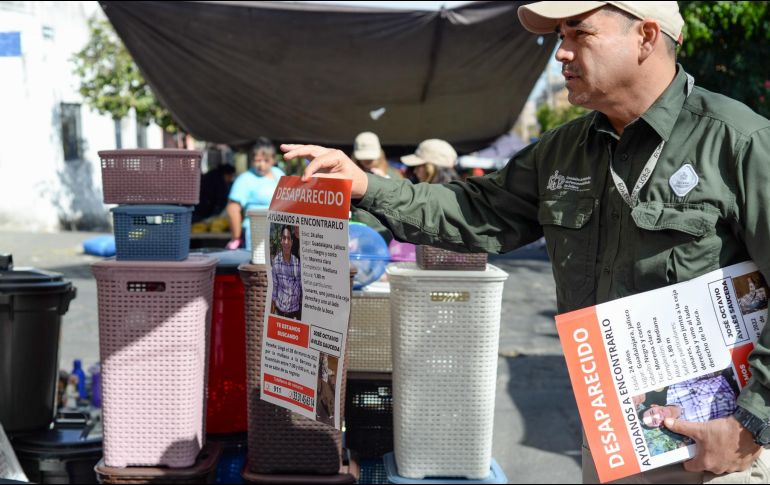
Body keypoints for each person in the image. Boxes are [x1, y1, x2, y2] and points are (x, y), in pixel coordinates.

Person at [281, 1, 770, 481]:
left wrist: (750, 422)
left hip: (722, 450)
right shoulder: (563, 150)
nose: (561, 53)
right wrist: (365, 185)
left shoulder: (737, 142)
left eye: (579, 32)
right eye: (559, 37)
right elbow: (474, 211)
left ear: (645, 36)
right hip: (615, 439)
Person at [226, 137, 285, 249]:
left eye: (266, 160)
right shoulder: (245, 179)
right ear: (252, 160)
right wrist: (236, 238)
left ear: (273, 160)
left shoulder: (279, 174)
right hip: (255, 234)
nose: (261, 165)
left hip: (278, 232)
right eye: (258, 160)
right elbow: (232, 209)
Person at [640, 374, 737, 428]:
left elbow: (704, 375)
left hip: (733, 376)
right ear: (660, 426)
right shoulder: (690, 427)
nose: (658, 416)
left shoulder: (674, 388)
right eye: (654, 421)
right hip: (741, 405)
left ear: (654, 405)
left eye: (652, 412)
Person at [271, 225, 302, 320]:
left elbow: (300, 288)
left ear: (291, 242)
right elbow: (274, 289)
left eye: (288, 238)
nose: (286, 242)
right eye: (284, 238)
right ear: (281, 241)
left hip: (295, 314)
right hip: (280, 313)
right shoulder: (276, 262)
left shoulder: (297, 263)